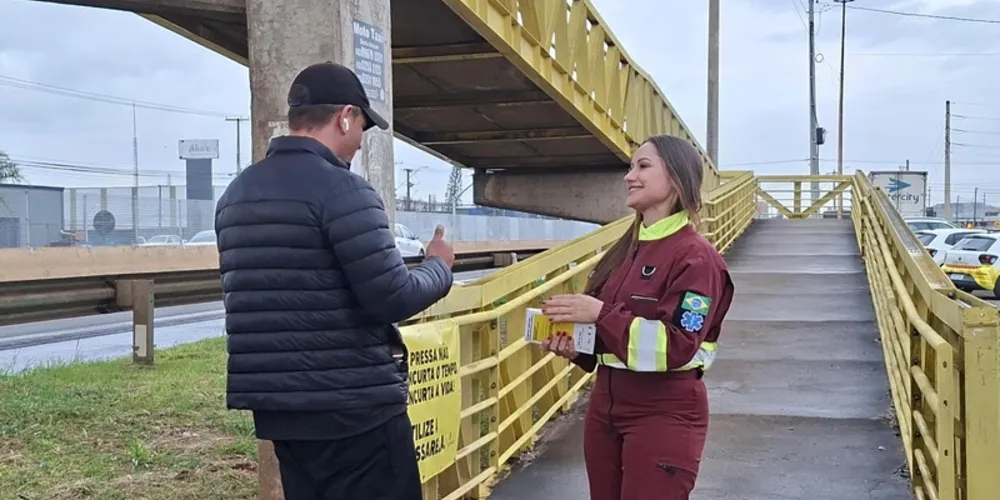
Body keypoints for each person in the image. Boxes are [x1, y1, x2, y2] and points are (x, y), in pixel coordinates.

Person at [214, 61, 456, 500]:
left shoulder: (236, 195)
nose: (361, 141)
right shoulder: (344, 191)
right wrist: (438, 266)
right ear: (345, 116)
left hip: (281, 411)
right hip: (354, 409)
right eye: (362, 124)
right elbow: (392, 296)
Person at [539, 135, 735, 500]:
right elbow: (611, 340)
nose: (630, 176)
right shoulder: (625, 249)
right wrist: (577, 348)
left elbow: (675, 346)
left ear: (676, 179)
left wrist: (600, 312)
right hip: (605, 407)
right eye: (631, 167)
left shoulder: (696, 257)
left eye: (643, 166)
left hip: (665, 412)